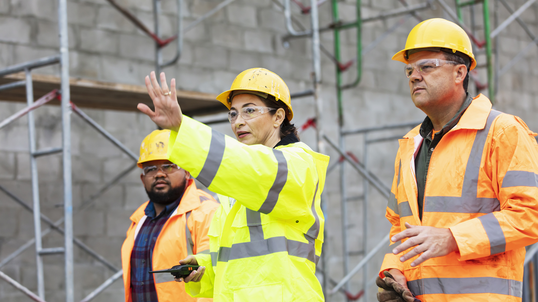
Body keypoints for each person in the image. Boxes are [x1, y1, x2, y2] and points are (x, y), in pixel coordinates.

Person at [377, 18, 538, 302]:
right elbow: (399, 226)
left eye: (427, 66)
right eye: (410, 69)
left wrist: (452, 238)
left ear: (460, 72)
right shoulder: (410, 144)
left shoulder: (502, 132)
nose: (415, 76)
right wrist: (393, 269)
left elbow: (530, 216)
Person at [137, 67, 329, 302]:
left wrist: (182, 127)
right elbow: (237, 268)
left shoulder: (299, 164)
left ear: (278, 117)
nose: (238, 122)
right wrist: (204, 267)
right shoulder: (235, 190)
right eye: (233, 114)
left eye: (249, 111)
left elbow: (252, 167)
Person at [121, 129, 219, 302]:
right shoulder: (139, 220)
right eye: (151, 169)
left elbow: (213, 277)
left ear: (187, 171)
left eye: (169, 166)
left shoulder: (206, 213)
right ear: (143, 179)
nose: (159, 174)